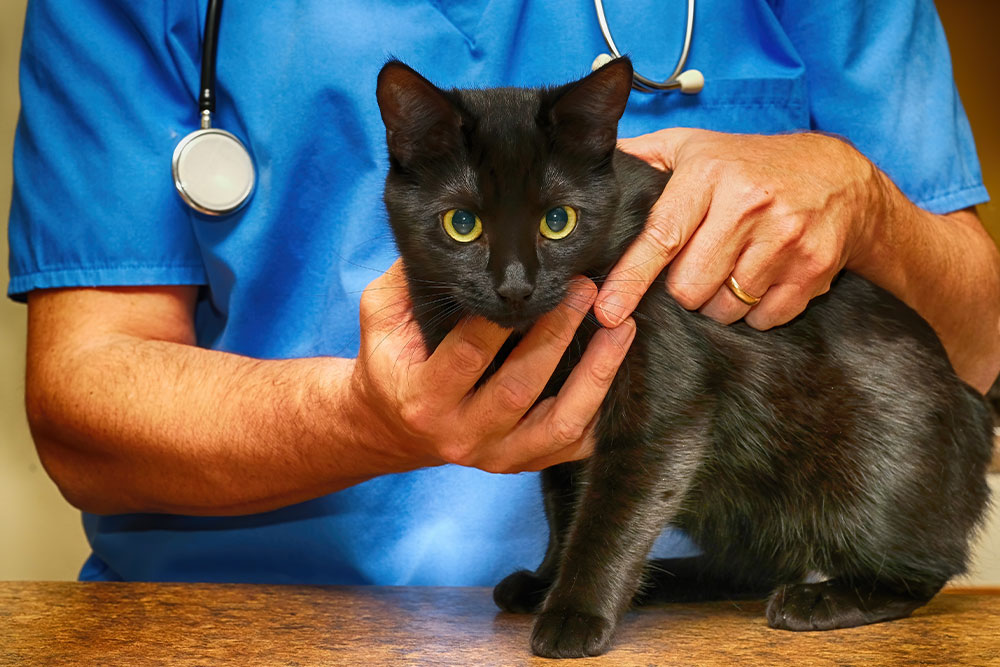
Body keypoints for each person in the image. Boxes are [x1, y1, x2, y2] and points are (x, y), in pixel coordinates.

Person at [9, 0, 999, 584]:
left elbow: (979, 347)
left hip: (705, 622)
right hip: (259, 624)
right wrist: (358, 418)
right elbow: (81, 403)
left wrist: (870, 206)